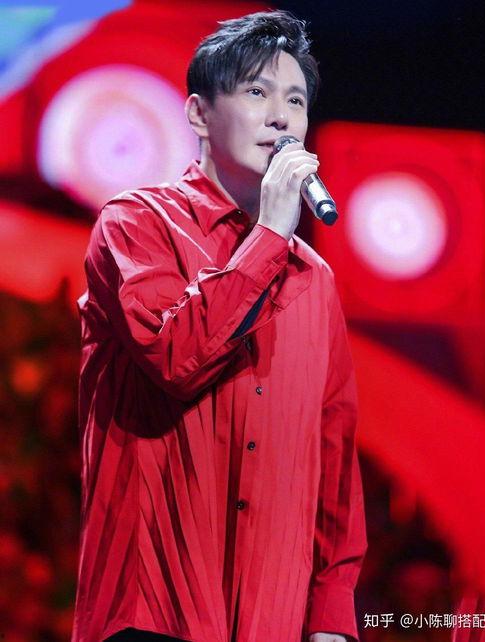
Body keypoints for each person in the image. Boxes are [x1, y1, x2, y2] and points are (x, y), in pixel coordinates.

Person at [71, 10, 367, 642]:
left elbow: (334, 457)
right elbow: (176, 358)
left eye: (296, 100)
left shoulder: (314, 280)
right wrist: (270, 235)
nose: (281, 117)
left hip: (272, 618)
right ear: (199, 114)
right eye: (257, 92)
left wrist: (332, 616)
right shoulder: (134, 226)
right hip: (152, 611)